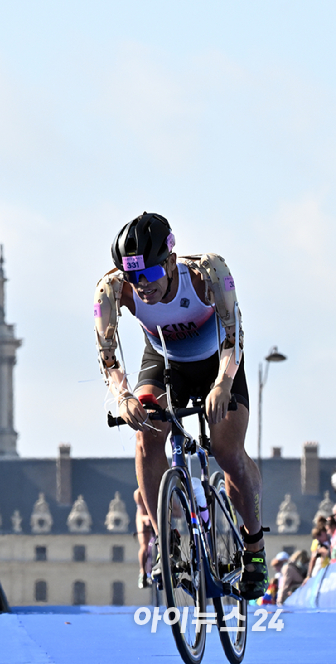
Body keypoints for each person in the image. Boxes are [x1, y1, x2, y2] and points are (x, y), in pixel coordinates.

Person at [94, 212, 268, 599]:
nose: (142, 288)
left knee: (226, 449)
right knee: (146, 435)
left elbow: (234, 333)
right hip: (164, 361)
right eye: (134, 278)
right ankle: (167, 542)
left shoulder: (208, 274)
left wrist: (223, 382)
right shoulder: (112, 289)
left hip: (218, 361)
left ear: (171, 263)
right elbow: (108, 356)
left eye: (150, 276)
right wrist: (123, 397)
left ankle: (254, 547)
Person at [134, 488, 155, 589]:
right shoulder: (139, 493)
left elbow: (178, 513)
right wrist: (147, 519)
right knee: (144, 546)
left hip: (156, 515)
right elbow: (142, 514)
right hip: (144, 518)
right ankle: (142, 572)